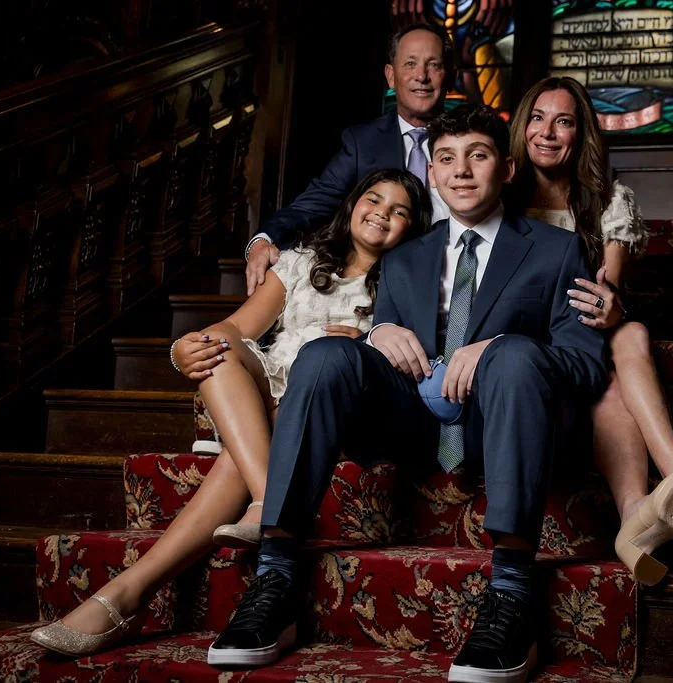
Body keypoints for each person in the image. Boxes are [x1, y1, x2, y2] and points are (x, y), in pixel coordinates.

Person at [204, 104, 620, 683]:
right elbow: (384, 352)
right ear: (431, 172)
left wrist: (498, 347)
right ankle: (276, 576)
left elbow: (584, 365)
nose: (461, 171)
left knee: (515, 355)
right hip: (413, 425)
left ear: (505, 168)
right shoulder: (404, 255)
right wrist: (377, 333)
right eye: (446, 159)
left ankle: (512, 591)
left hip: (502, 424)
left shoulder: (557, 249)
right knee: (324, 356)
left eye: (477, 156)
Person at [29, 169, 431, 657]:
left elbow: (412, 359)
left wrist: (367, 342)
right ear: (352, 204)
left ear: (413, 226)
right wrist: (182, 349)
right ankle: (266, 495)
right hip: (271, 386)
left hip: (329, 407)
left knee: (257, 441)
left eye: (398, 211)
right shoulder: (301, 262)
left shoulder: (408, 280)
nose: (382, 214)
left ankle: (125, 594)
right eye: (373, 199)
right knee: (217, 342)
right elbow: (235, 328)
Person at [508, 77, 673, 585]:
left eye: (564, 122)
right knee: (616, 369)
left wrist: (610, 309)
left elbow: (607, 289)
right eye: (537, 118)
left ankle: (643, 508)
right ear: (521, 127)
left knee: (628, 333)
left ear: (581, 134)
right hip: (524, 347)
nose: (547, 132)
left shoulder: (608, 200)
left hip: (584, 338)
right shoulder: (501, 195)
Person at [244, 22, 453, 296]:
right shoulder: (362, 143)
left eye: (434, 65)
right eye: (410, 64)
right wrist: (262, 241)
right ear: (391, 76)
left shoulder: (469, 140)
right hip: (381, 285)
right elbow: (310, 205)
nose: (421, 76)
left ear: (449, 75)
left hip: (452, 276)